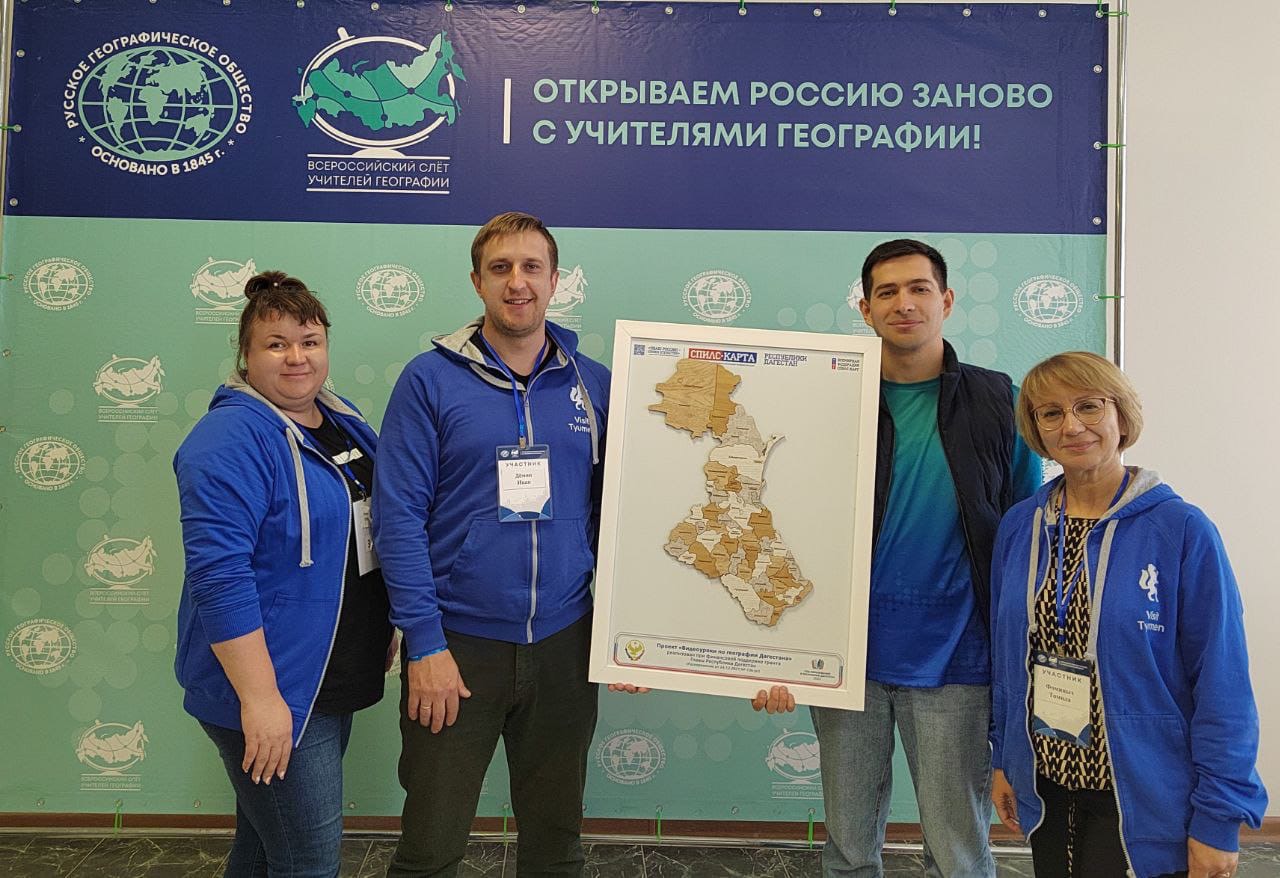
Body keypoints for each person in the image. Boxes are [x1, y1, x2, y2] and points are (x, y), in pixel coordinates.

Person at [373, 212, 612, 877]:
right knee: (430, 846)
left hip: (566, 643)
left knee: (556, 848)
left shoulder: (593, 383)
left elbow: (617, 514)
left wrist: (628, 628)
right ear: (477, 281)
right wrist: (424, 643)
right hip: (458, 646)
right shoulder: (429, 379)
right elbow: (398, 518)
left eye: (532, 267)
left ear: (556, 281)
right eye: (500, 268)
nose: (517, 282)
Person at [809, 240, 1042, 877]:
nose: (903, 303)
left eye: (919, 289)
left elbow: (1023, 529)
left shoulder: (999, 402)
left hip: (957, 659)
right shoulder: (830, 396)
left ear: (947, 300)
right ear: (865, 309)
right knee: (849, 847)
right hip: (846, 657)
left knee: (958, 850)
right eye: (886, 292)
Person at [989, 351, 1266, 878]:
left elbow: (1222, 682)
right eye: (1051, 413)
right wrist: (1005, 757)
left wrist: (1219, 817)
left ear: (1121, 415)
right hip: (1048, 785)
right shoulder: (1020, 526)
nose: (1072, 426)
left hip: (1145, 794)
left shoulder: (1181, 530)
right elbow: (1007, 659)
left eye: (1089, 406)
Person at [174, 271, 396, 877]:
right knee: (307, 862)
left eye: (310, 341)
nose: (297, 357)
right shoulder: (227, 440)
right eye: (276, 344)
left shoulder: (340, 419)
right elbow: (219, 580)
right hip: (278, 689)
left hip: (327, 672)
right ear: (245, 356)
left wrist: (387, 621)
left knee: (264, 848)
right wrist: (262, 699)